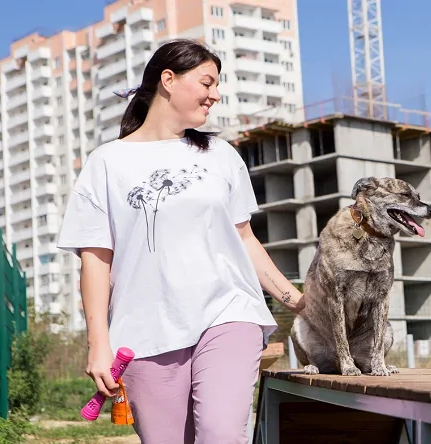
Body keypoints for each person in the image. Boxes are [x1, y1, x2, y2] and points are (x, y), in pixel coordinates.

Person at [56, 39, 304, 443]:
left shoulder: (220, 155)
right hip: (144, 330)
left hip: (228, 312)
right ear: (168, 80)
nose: (216, 94)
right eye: (207, 83)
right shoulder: (106, 163)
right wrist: (98, 344)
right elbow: (96, 260)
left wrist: (299, 302)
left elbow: (244, 239)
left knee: (221, 434)